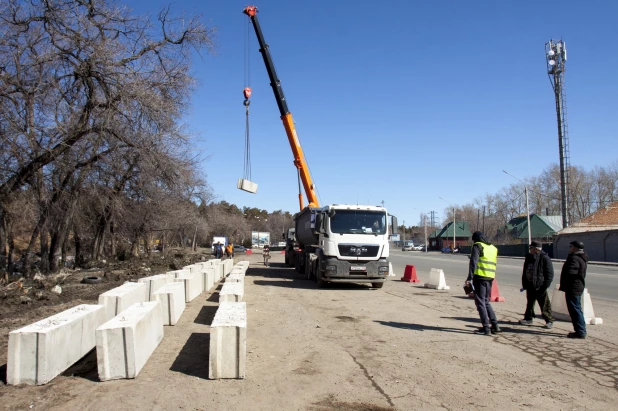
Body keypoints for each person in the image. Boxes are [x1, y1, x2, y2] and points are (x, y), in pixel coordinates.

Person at [466, 231, 500, 336]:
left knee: (480, 302)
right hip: (490, 277)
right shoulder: (493, 248)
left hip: (480, 277)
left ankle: (486, 328)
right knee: (486, 301)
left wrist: (469, 278)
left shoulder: (477, 246)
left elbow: (473, 262)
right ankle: (495, 325)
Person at [519, 241, 555, 328]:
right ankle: (528, 318)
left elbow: (549, 274)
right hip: (530, 284)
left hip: (540, 285)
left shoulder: (544, 258)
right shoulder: (529, 258)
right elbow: (525, 271)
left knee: (544, 304)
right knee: (530, 303)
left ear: (536, 249)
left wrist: (544, 286)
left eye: (531, 248)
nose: (530, 250)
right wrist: (525, 284)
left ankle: (549, 320)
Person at [559, 240, 589, 339]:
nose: (569, 248)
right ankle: (580, 330)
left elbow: (571, 272)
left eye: (570, 246)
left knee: (575, 310)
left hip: (573, 287)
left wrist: (566, 280)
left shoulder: (574, 258)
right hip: (576, 286)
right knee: (576, 309)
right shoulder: (581, 257)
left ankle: (580, 332)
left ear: (575, 248)